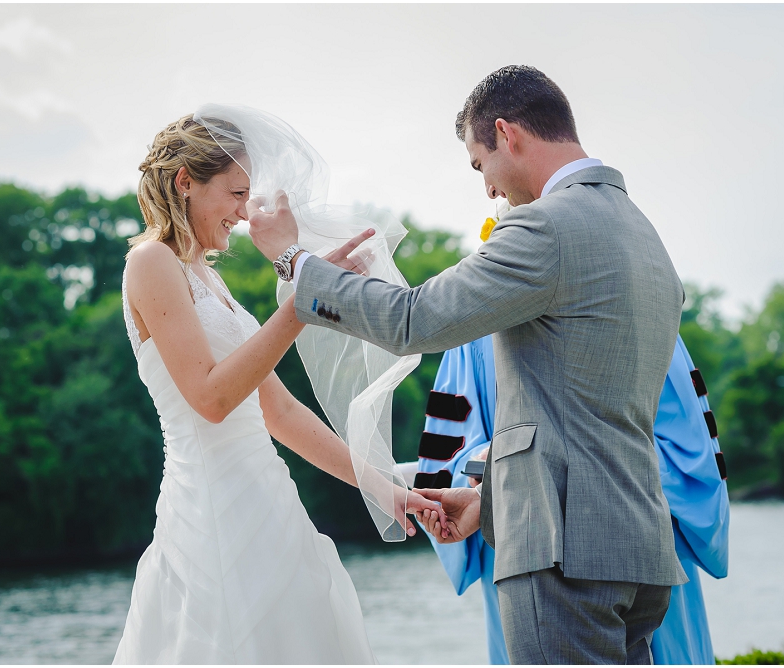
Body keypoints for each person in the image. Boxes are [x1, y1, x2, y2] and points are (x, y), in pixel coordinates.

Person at [248, 64, 689, 664]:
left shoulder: (546, 227)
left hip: (562, 553)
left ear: (507, 134)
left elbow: (414, 321)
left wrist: (292, 259)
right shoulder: (643, 233)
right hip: (638, 546)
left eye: (480, 165)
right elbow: (586, 413)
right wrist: (491, 501)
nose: (487, 190)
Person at [113, 114, 442, 664]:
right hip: (211, 513)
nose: (244, 212)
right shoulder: (152, 263)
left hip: (270, 503)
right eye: (236, 193)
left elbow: (282, 413)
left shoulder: (209, 279)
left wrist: (386, 489)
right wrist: (299, 305)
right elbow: (212, 400)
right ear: (184, 182)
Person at [404, 334, 730, 664]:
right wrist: (484, 469)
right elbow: (451, 454)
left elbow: (689, 451)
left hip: (636, 527)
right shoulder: (477, 329)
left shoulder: (637, 300)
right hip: (523, 531)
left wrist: (523, 456)